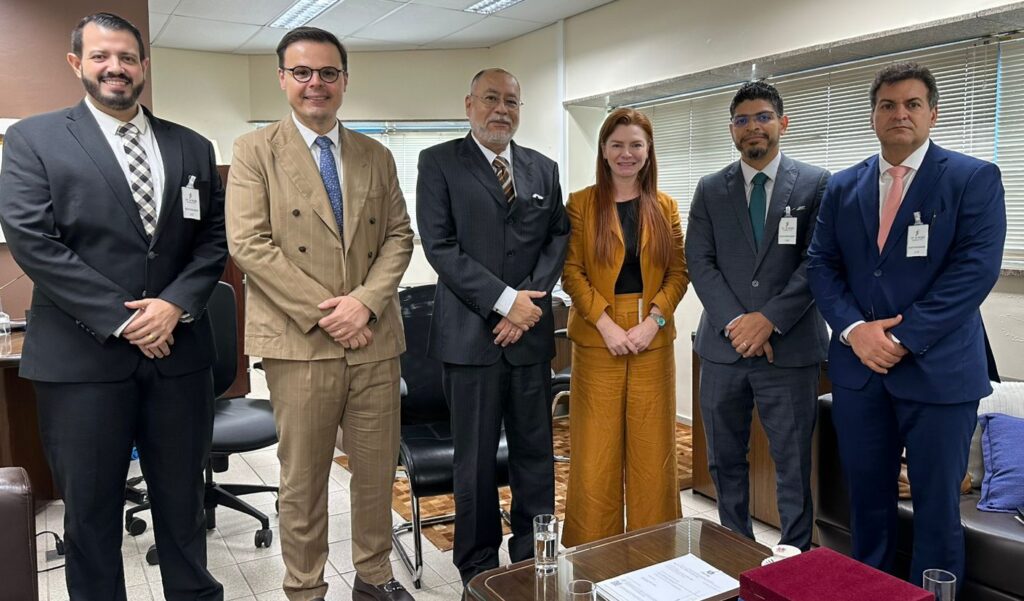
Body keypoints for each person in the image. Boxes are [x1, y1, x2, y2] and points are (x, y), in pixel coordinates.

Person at [0, 12, 226, 601]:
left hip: (178, 358)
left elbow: (213, 241)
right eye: (101, 57)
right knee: (91, 513)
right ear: (77, 64)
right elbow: (32, 240)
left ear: (144, 65)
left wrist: (172, 306)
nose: (116, 68)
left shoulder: (192, 146)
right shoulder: (34, 139)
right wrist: (127, 318)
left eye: (127, 57)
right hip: (82, 361)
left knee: (183, 503)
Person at [225, 27, 414, 601]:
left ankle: (375, 579)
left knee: (376, 474)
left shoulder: (375, 154)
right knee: (303, 481)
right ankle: (305, 589)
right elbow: (249, 244)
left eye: (328, 73)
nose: (316, 84)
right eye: (302, 72)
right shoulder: (254, 151)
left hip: (374, 340)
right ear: (282, 78)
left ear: (345, 80)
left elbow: (400, 237)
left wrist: (364, 303)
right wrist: (329, 312)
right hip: (298, 341)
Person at [807, 62, 1005, 587]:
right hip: (859, 373)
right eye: (888, 105)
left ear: (933, 113)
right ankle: (871, 593)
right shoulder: (843, 186)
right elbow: (821, 265)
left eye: (913, 104)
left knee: (938, 510)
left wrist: (898, 338)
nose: (900, 114)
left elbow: (975, 271)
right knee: (867, 504)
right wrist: (854, 332)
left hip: (938, 373)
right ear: (872, 116)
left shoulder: (972, 178)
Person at [416, 68, 570, 585]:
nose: (501, 109)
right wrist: (505, 302)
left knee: (536, 455)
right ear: (469, 104)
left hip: (528, 342)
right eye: (490, 99)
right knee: (475, 462)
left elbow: (557, 238)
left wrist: (527, 305)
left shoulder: (542, 169)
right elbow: (440, 247)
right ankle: (477, 567)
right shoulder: (437, 163)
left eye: (511, 101)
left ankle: (532, 557)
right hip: (470, 340)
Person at [686, 81, 829, 551]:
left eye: (763, 117)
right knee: (725, 460)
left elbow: (818, 261)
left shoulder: (816, 183)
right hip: (722, 351)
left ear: (782, 123)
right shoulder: (710, 189)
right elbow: (699, 262)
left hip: (788, 350)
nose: (754, 127)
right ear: (732, 130)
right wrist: (736, 323)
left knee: (792, 463)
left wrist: (767, 320)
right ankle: (735, 550)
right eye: (743, 120)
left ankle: (795, 558)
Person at [560, 107, 688, 546]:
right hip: (599, 337)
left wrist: (653, 321)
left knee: (653, 454)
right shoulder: (580, 203)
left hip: (652, 337)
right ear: (603, 150)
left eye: (636, 145)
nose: (626, 153)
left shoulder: (665, 206)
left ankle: (656, 554)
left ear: (649, 152)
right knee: (596, 454)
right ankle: (592, 555)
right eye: (617, 145)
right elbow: (571, 272)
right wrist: (607, 326)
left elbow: (679, 272)